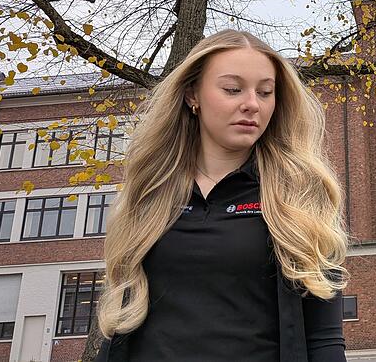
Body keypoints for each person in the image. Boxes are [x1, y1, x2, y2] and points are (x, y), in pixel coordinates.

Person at [94, 30, 348, 362]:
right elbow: (121, 323)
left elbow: (324, 338)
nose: (252, 104)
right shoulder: (149, 191)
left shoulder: (301, 196)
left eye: (265, 92)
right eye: (232, 89)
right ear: (191, 95)